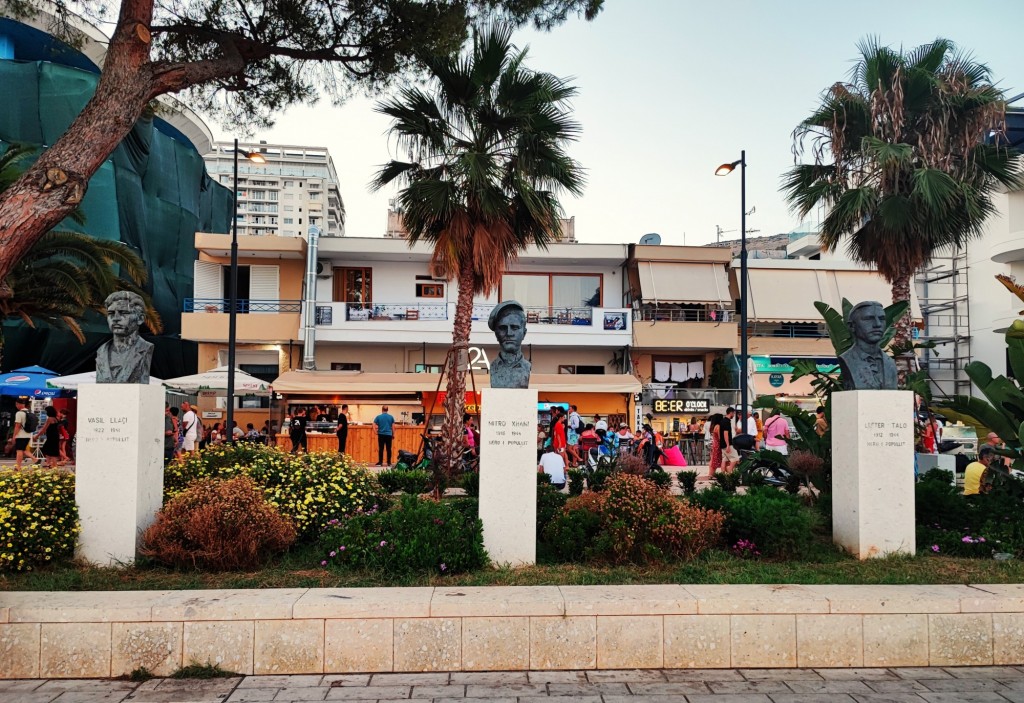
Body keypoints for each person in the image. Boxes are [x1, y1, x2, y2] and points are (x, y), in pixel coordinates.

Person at [95, 290, 155, 384]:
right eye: (111, 313)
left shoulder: (145, 348)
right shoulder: (101, 351)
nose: (116, 318)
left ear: (140, 319)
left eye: (124, 313)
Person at [838, 300, 898, 390]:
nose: (877, 324)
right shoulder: (847, 359)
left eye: (881, 319)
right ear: (852, 326)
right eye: (868, 319)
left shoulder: (890, 363)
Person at [487, 301, 532, 388]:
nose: (509, 333)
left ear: (524, 333)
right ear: (496, 334)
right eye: (503, 328)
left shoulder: (527, 367)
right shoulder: (493, 367)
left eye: (514, 328)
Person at [720, 407, 738, 473]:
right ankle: (729, 472)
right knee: (735, 459)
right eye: (733, 413)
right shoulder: (727, 422)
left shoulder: (722, 421)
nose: (734, 415)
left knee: (724, 460)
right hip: (728, 444)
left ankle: (722, 475)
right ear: (731, 413)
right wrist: (728, 445)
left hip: (722, 444)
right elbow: (726, 434)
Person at [706, 412, 723, 479]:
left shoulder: (713, 426)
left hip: (714, 444)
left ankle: (711, 474)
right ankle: (711, 474)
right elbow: (720, 437)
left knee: (713, 459)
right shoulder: (718, 426)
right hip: (718, 445)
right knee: (715, 460)